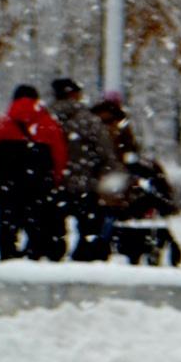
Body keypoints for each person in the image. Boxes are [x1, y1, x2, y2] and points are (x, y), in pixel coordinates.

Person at [0, 84, 68, 261]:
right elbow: (60, 156)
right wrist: (53, 180)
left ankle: (7, 258)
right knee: (37, 224)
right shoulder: (47, 124)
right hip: (38, 185)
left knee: (7, 224)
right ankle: (33, 259)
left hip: (8, 185)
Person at [46, 77, 121, 261]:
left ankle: (52, 262)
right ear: (74, 94)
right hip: (85, 185)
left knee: (54, 232)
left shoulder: (45, 119)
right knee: (88, 232)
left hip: (52, 185)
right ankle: (83, 262)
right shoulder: (88, 121)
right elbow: (106, 154)